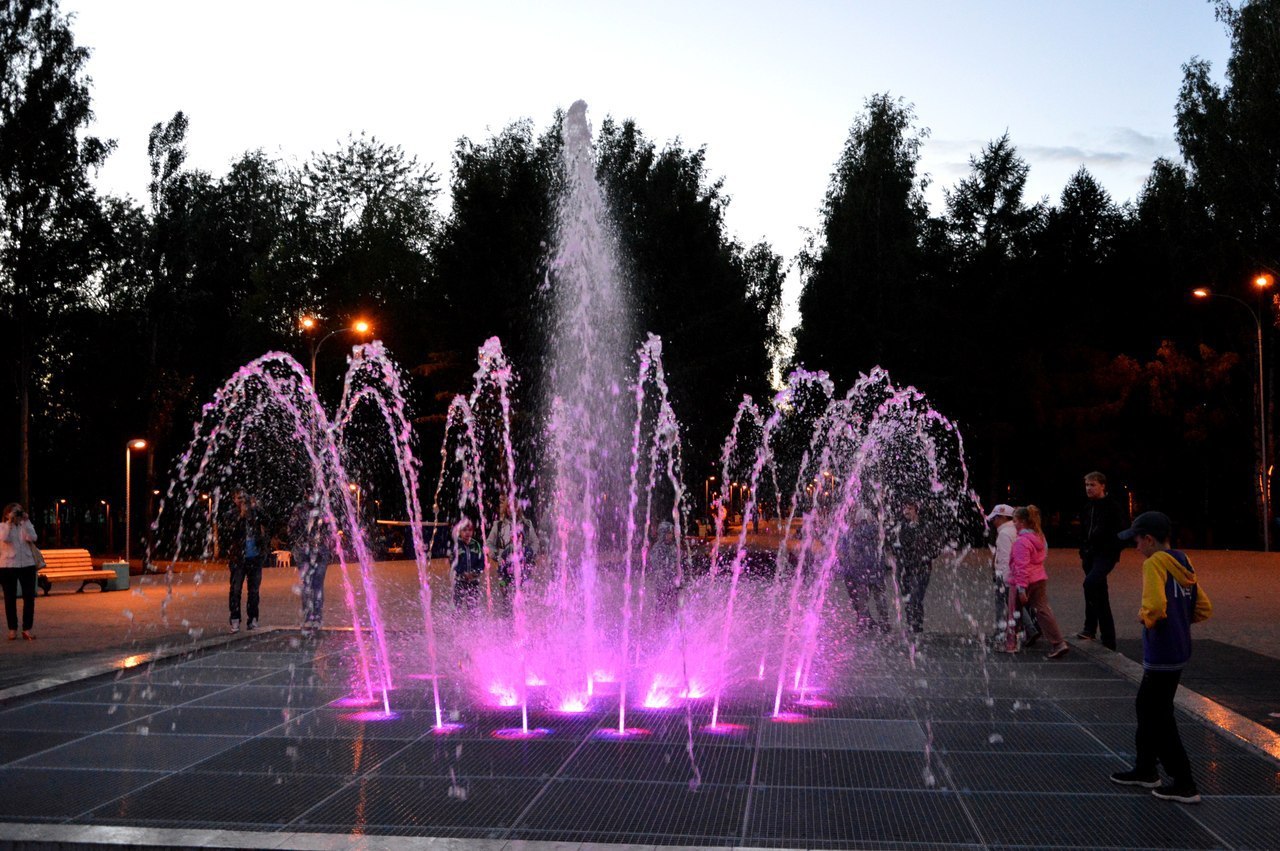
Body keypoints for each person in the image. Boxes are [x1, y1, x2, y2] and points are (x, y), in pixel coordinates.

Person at [1109, 511, 1212, 804]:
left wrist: (1146, 618)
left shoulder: (1154, 563)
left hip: (1161, 650)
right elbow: (1204, 607)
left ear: (1149, 539)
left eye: (1137, 541)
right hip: (1179, 648)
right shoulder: (1183, 560)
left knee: (1158, 715)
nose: (1135, 547)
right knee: (1148, 707)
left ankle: (1184, 782)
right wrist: (1181, 621)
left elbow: (1154, 606)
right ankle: (1145, 768)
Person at [1004, 505, 1070, 658]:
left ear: (1022, 522)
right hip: (1039, 578)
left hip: (1022, 581)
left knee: (1013, 612)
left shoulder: (1021, 542)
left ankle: (1011, 644)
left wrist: (1021, 588)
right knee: (1043, 610)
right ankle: (1059, 643)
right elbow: (1041, 557)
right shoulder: (1039, 537)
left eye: (1015, 521)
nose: (1013, 524)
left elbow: (1021, 566)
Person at [1078, 471, 1126, 649]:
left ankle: (1099, 632)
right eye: (1087, 485)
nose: (1088, 488)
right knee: (1098, 592)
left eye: (1092, 485)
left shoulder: (1112, 507)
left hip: (1105, 554)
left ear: (1102, 486)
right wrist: (1083, 550)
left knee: (1091, 585)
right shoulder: (1088, 507)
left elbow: (1122, 530)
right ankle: (1098, 633)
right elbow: (1084, 530)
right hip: (1090, 554)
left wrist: (1113, 548)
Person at [890, 500, 940, 634]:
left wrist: (925, 556)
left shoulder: (926, 527)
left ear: (916, 510)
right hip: (905, 567)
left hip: (921, 568)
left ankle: (916, 624)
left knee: (916, 596)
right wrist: (897, 550)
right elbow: (892, 544)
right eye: (905, 508)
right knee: (907, 597)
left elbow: (936, 547)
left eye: (910, 508)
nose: (906, 511)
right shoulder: (900, 526)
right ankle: (911, 623)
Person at [224, 490, 269, 633]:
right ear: (234, 499)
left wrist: (257, 508)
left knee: (254, 591)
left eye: (244, 497)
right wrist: (240, 517)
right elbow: (229, 531)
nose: (242, 500)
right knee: (236, 590)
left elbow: (268, 521)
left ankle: (253, 619)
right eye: (239, 498)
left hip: (254, 558)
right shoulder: (231, 514)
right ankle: (235, 619)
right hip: (238, 559)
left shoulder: (254, 513)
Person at [841, 510, 889, 632]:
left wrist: (854, 570)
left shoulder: (853, 533)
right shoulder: (877, 531)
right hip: (877, 571)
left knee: (862, 600)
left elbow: (851, 554)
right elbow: (883, 550)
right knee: (880, 598)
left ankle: (863, 624)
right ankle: (884, 623)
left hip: (862, 573)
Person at [289, 501, 333, 634]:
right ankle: (309, 617)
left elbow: (330, 528)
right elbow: (291, 529)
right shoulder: (300, 509)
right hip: (305, 553)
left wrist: (323, 540)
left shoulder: (323, 508)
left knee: (317, 585)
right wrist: (303, 540)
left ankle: (316, 617)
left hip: (320, 553)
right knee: (307, 585)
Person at [0, 503, 39, 640]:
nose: (17, 514)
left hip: (27, 564)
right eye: (14, 512)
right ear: (6, 514)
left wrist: (26, 521)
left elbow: (33, 537)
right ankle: (12, 629)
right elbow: (4, 538)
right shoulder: (2, 526)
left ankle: (27, 629)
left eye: (19, 511)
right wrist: (10, 522)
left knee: (29, 598)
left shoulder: (25, 525)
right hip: (8, 566)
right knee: (10, 599)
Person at [485, 501, 540, 591]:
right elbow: (488, 544)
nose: (511, 509)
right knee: (507, 594)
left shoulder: (527, 524)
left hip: (523, 566)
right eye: (509, 506)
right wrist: (498, 556)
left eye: (515, 506)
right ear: (506, 508)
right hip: (505, 567)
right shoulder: (498, 525)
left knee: (524, 593)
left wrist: (529, 554)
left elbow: (535, 542)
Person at [986, 504, 1020, 643]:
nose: (993, 521)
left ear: (1003, 517)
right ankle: (1029, 629)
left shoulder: (1004, 533)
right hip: (1011, 574)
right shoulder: (1014, 530)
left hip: (1005, 575)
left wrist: (1003, 578)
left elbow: (1005, 558)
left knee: (1002, 603)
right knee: (1013, 603)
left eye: (995, 518)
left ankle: (1001, 631)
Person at [451, 517, 485, 612]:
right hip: (460, 581)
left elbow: (481, 562)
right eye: (464, 530)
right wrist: (463, 572)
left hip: (473, 582)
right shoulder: (456, 546)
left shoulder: (476, 545)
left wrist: (475, 572)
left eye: (470, 530)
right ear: (460, 532)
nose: (467, 533)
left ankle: (473, 621)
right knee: (457, 606)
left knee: (473, 608)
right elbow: (453, 562)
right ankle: (455, 619)